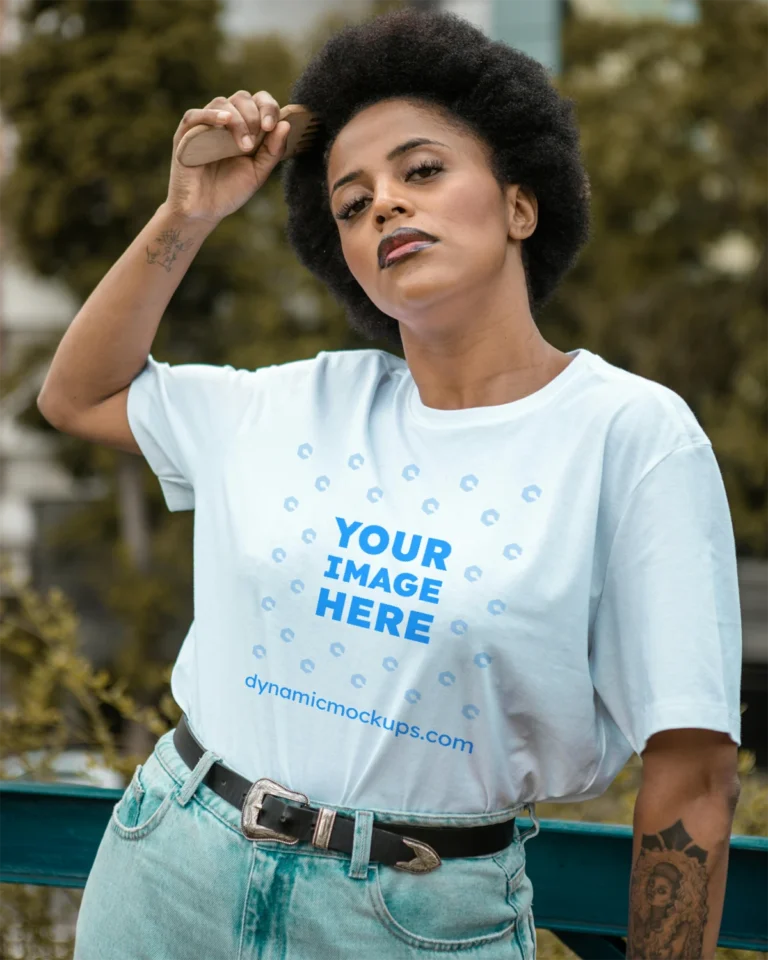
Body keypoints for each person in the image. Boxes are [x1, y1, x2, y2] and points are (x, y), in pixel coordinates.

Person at [37, 10, 741, 960]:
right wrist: (188, 214)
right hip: (172, 870)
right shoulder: (292, 402)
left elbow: (694, 769)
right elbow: (77, 396)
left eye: (422, 171)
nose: (385, 209)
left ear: (520, 205)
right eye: (352, 202)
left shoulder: (631, 435)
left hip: (415, 919)